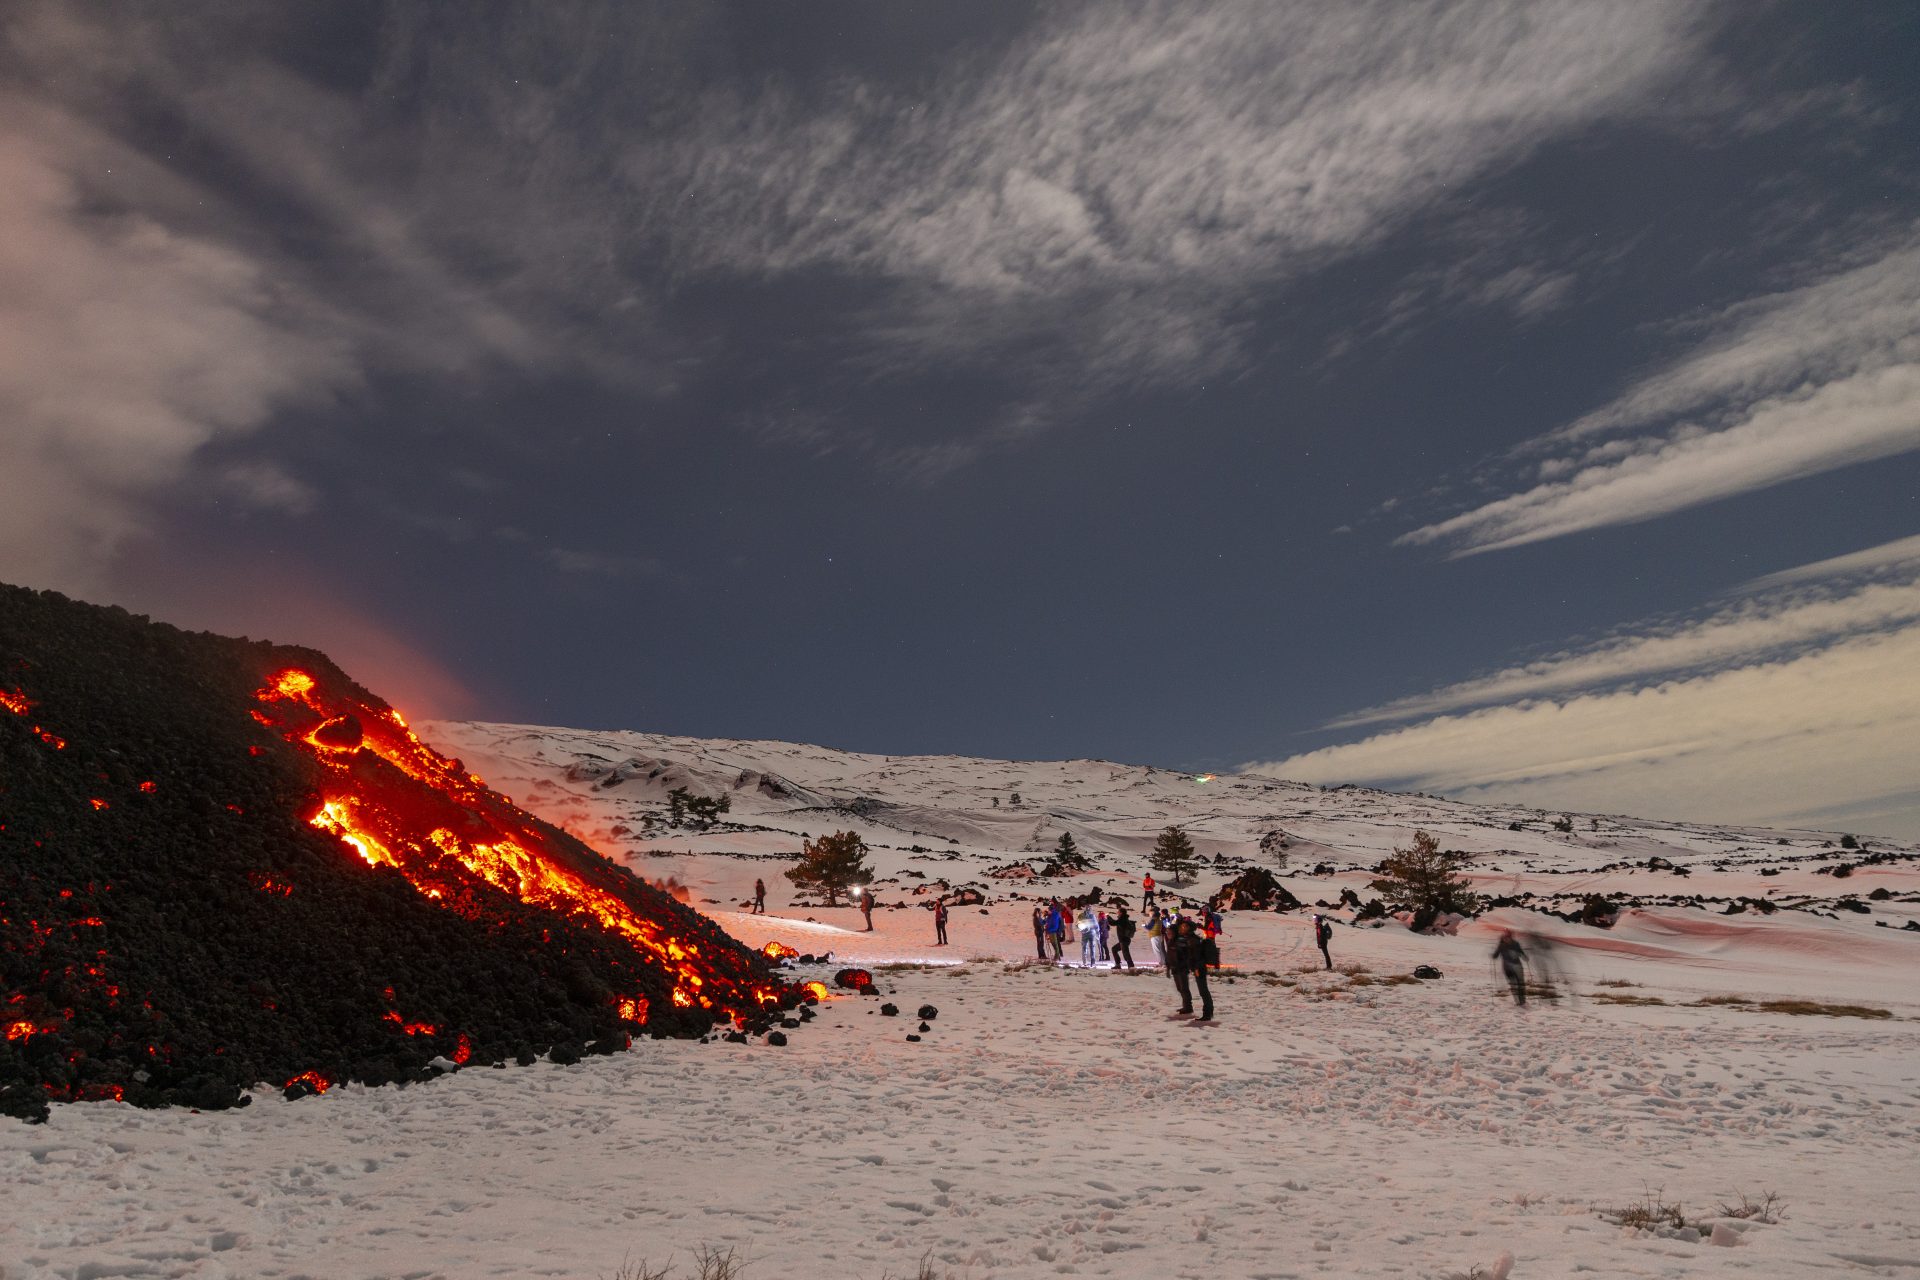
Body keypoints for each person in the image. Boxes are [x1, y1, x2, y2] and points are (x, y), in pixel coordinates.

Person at [1169, 918, 1214, 1020]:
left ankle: (1207, 1014)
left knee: (1203, 991)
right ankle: (1196, 1010)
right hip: (1195, 968)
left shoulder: (1192, 940)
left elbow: (1196, 956)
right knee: (1202, 991)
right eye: (1182, 926)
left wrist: (1196, 968)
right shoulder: (1186, 938)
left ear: (1190, 929)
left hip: (1199, 968)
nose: (1182, 928)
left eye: (1185, 926)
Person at [1492, 930, 1527, 1006]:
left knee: (1520, 984)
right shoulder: (1501, 945)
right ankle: (1517, 1001)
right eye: (1506, 937)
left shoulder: (1516, 944)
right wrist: (1493, 956)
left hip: (1517, 966)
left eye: (1509, 937)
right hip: (1507, 968)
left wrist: (1524, 957)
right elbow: (1496, 955)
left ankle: (1522, 1000)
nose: (1507, 939)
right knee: (1513, 984)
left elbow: (1521, 952)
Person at [1112, 904, 1137, 970]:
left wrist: (1108, 917)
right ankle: (1118, 965)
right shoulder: (1124, 919)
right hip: (1124, 940)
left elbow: (1113, 923)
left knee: (1126, 954)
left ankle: (1131, 966)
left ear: (1121, 913)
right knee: (1114, 949)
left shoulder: (1122, 919)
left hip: (1124, 940)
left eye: (1118, 912)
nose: (1117, 913)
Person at [1079, 903, 1098, 967]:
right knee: (1091, 948)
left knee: (1085, 948)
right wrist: (1097, 932)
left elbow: (1078, 925)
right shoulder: (1092, 916)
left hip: (1086, 933)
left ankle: (1085, 962)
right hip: (1090, 933)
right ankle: (1091, 962)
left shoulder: (1081, 915)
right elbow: (1096, 925)